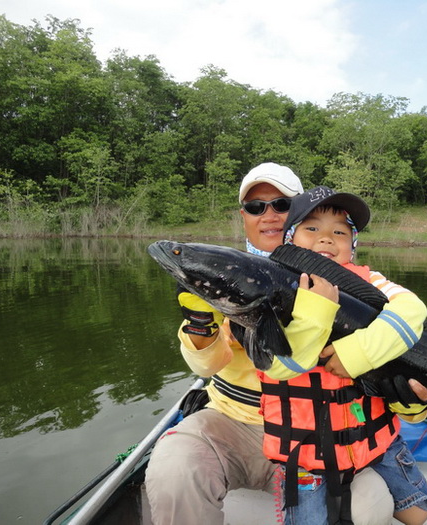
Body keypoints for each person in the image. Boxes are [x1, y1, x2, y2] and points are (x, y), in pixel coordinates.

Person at [145, 163, 398, 525]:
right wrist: (201, 322)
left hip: (318, 431)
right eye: (255, 207)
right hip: (235, 422)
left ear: (299, 212)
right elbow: (204, 366)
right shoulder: (223, 268)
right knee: (175, 467)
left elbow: (393, 318)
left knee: (370, 508)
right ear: (244, 217)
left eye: (281, 205)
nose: (268, 215)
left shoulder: (339, 273)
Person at [257, 186, 427, 525]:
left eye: (339, 232)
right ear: (289, 239)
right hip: (305, 453)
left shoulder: (373, 282)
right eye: (312, 228)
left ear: (352, 245)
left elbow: (412, 309)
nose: (326, 239)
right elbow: (277, 364)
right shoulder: (273, 285)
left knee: (419, 515)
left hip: (375, 441)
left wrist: (355, 354)